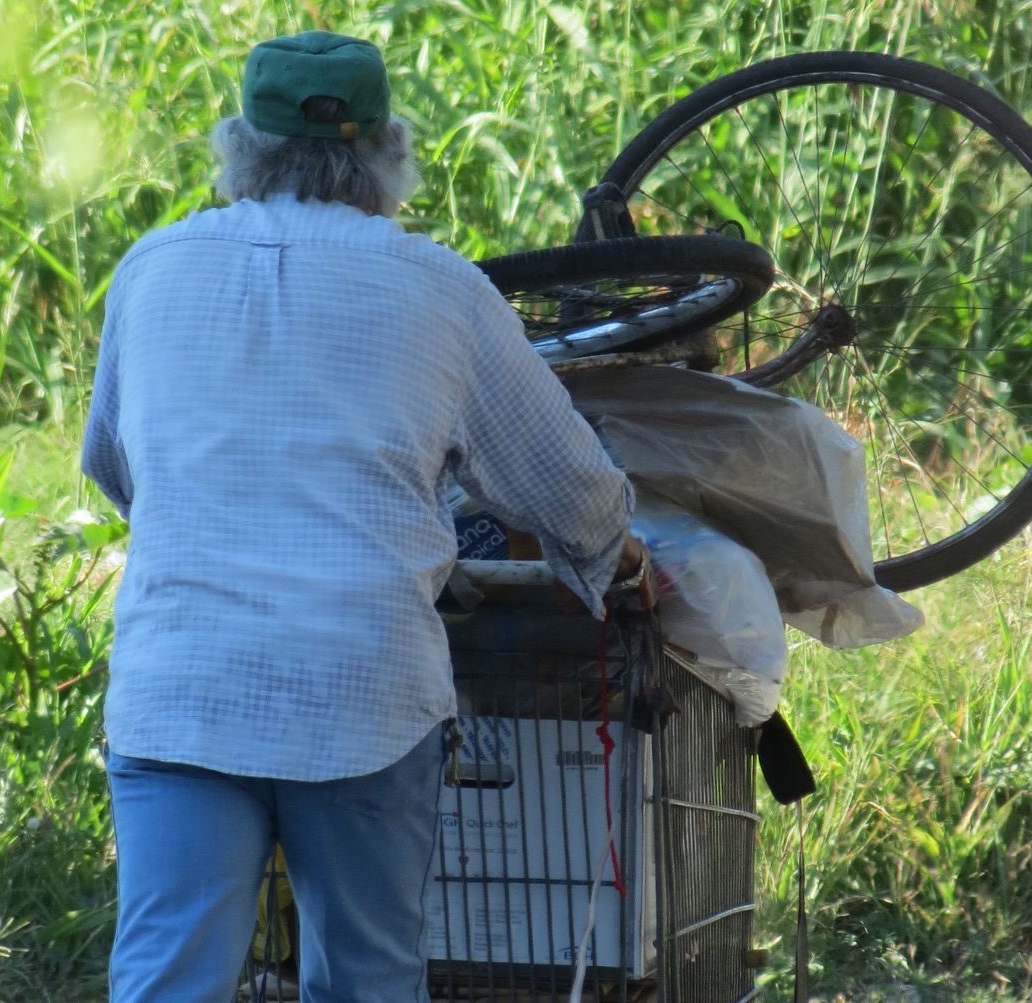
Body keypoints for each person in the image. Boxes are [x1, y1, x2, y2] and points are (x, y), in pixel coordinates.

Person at [81, 30, 648, 1003]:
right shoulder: (441, 288)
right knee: (368, 976)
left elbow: (117, 467)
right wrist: (616, 557)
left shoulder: (152, 270)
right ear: (388, 150)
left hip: (182, 686)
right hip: (362, 693)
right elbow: (566, 482)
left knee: (167, 977)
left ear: (239, 148)